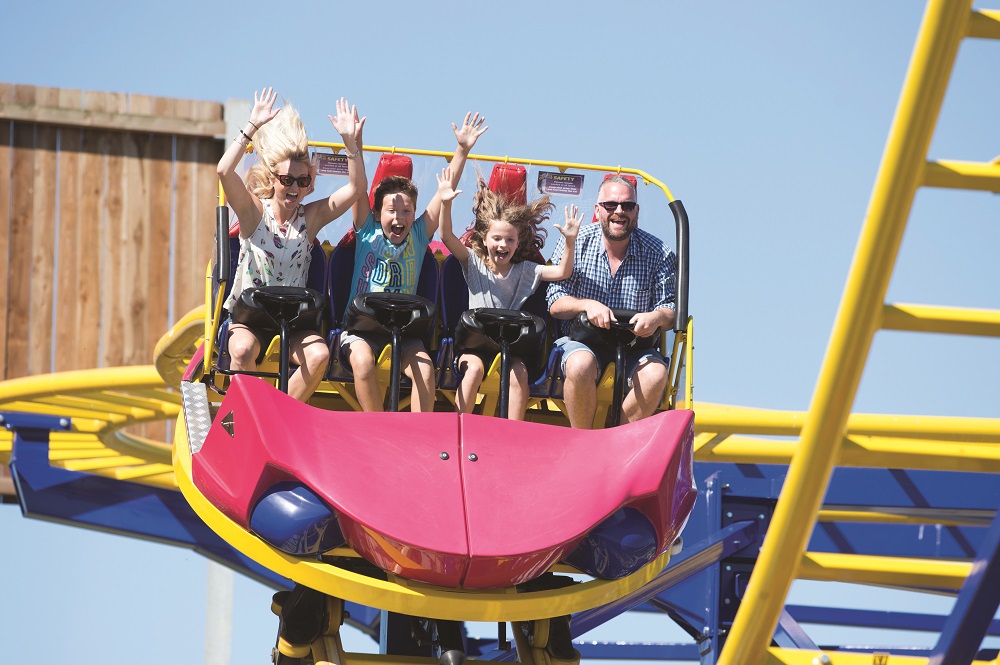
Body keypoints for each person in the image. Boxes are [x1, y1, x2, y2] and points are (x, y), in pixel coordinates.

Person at [217, 88, 366, 402]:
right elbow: (224, 171)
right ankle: (258, 414)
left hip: (292, 320)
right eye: (287, 180)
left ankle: (279, 412)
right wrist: (252, 127)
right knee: (242, 350)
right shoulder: (254, 213)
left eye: (302, 181)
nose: (294, 188)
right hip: (249, 319)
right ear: (273, 178)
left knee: (319, 355)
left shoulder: (310, 218)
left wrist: (351, 144)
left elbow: (356, 189)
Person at [340, 113, 488, 412]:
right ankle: (377, 426)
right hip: (361, 329)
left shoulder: (418, 236)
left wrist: (462, 150)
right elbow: (358, 186)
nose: (399, 217)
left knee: (424, 369)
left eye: (406, 211)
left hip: (403, 331)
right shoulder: (367, 231)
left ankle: (419, 432)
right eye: (391, 211)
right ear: (377, 213)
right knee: (363, 363)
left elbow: (443, 193)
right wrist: (354, 143)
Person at [436, 167, 582, 419]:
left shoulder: (526, 270)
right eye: (496, 239)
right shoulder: (474, 263)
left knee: (519, 373)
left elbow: (562, 272)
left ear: (518, 243)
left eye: (509, 240)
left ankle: (512, 430)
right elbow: (446, 236)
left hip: (510, 346)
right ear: (484, 239)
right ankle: (459, 424)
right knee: (474, 369)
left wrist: (570, 241)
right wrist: (445, 204)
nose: (502, 245)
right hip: (476, 345)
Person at [546, 175, 676, 428]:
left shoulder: (659, 253)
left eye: (627, 206)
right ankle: (583, 439)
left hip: (634, 348)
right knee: (580, 364)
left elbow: (669, 310)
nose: (619, 211)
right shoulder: (576, 242)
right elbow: (555, 303)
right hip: (580, 342)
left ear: (636, 211)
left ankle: (618, 439)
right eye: (610, 205)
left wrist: (655, 317)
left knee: (656, 374)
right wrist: (587, 305)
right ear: (597, 210)